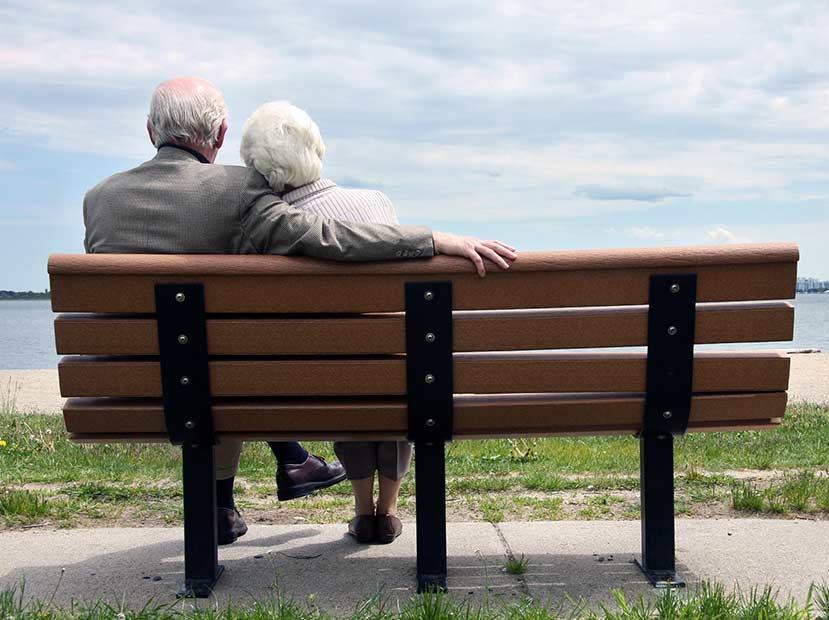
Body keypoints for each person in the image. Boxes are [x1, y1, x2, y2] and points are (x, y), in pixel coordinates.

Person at [82, 77, 518, 546]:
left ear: (151, 130)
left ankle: (230, 498)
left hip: (124, 391)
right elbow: (326, 237)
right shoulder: (236, 190)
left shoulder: (99, 198)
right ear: (221, 134)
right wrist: (433, 240)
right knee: (212, 364)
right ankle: (282, 467)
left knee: (202, 361)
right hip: (215, 388)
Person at [240, 101, 467, 544]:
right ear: (317, 148)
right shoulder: (375, 202)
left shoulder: (268, 227)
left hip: (322, 382)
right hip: (396, 374)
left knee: (343, 366)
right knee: (395, 364)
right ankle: (388, 509)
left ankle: (363, 511)